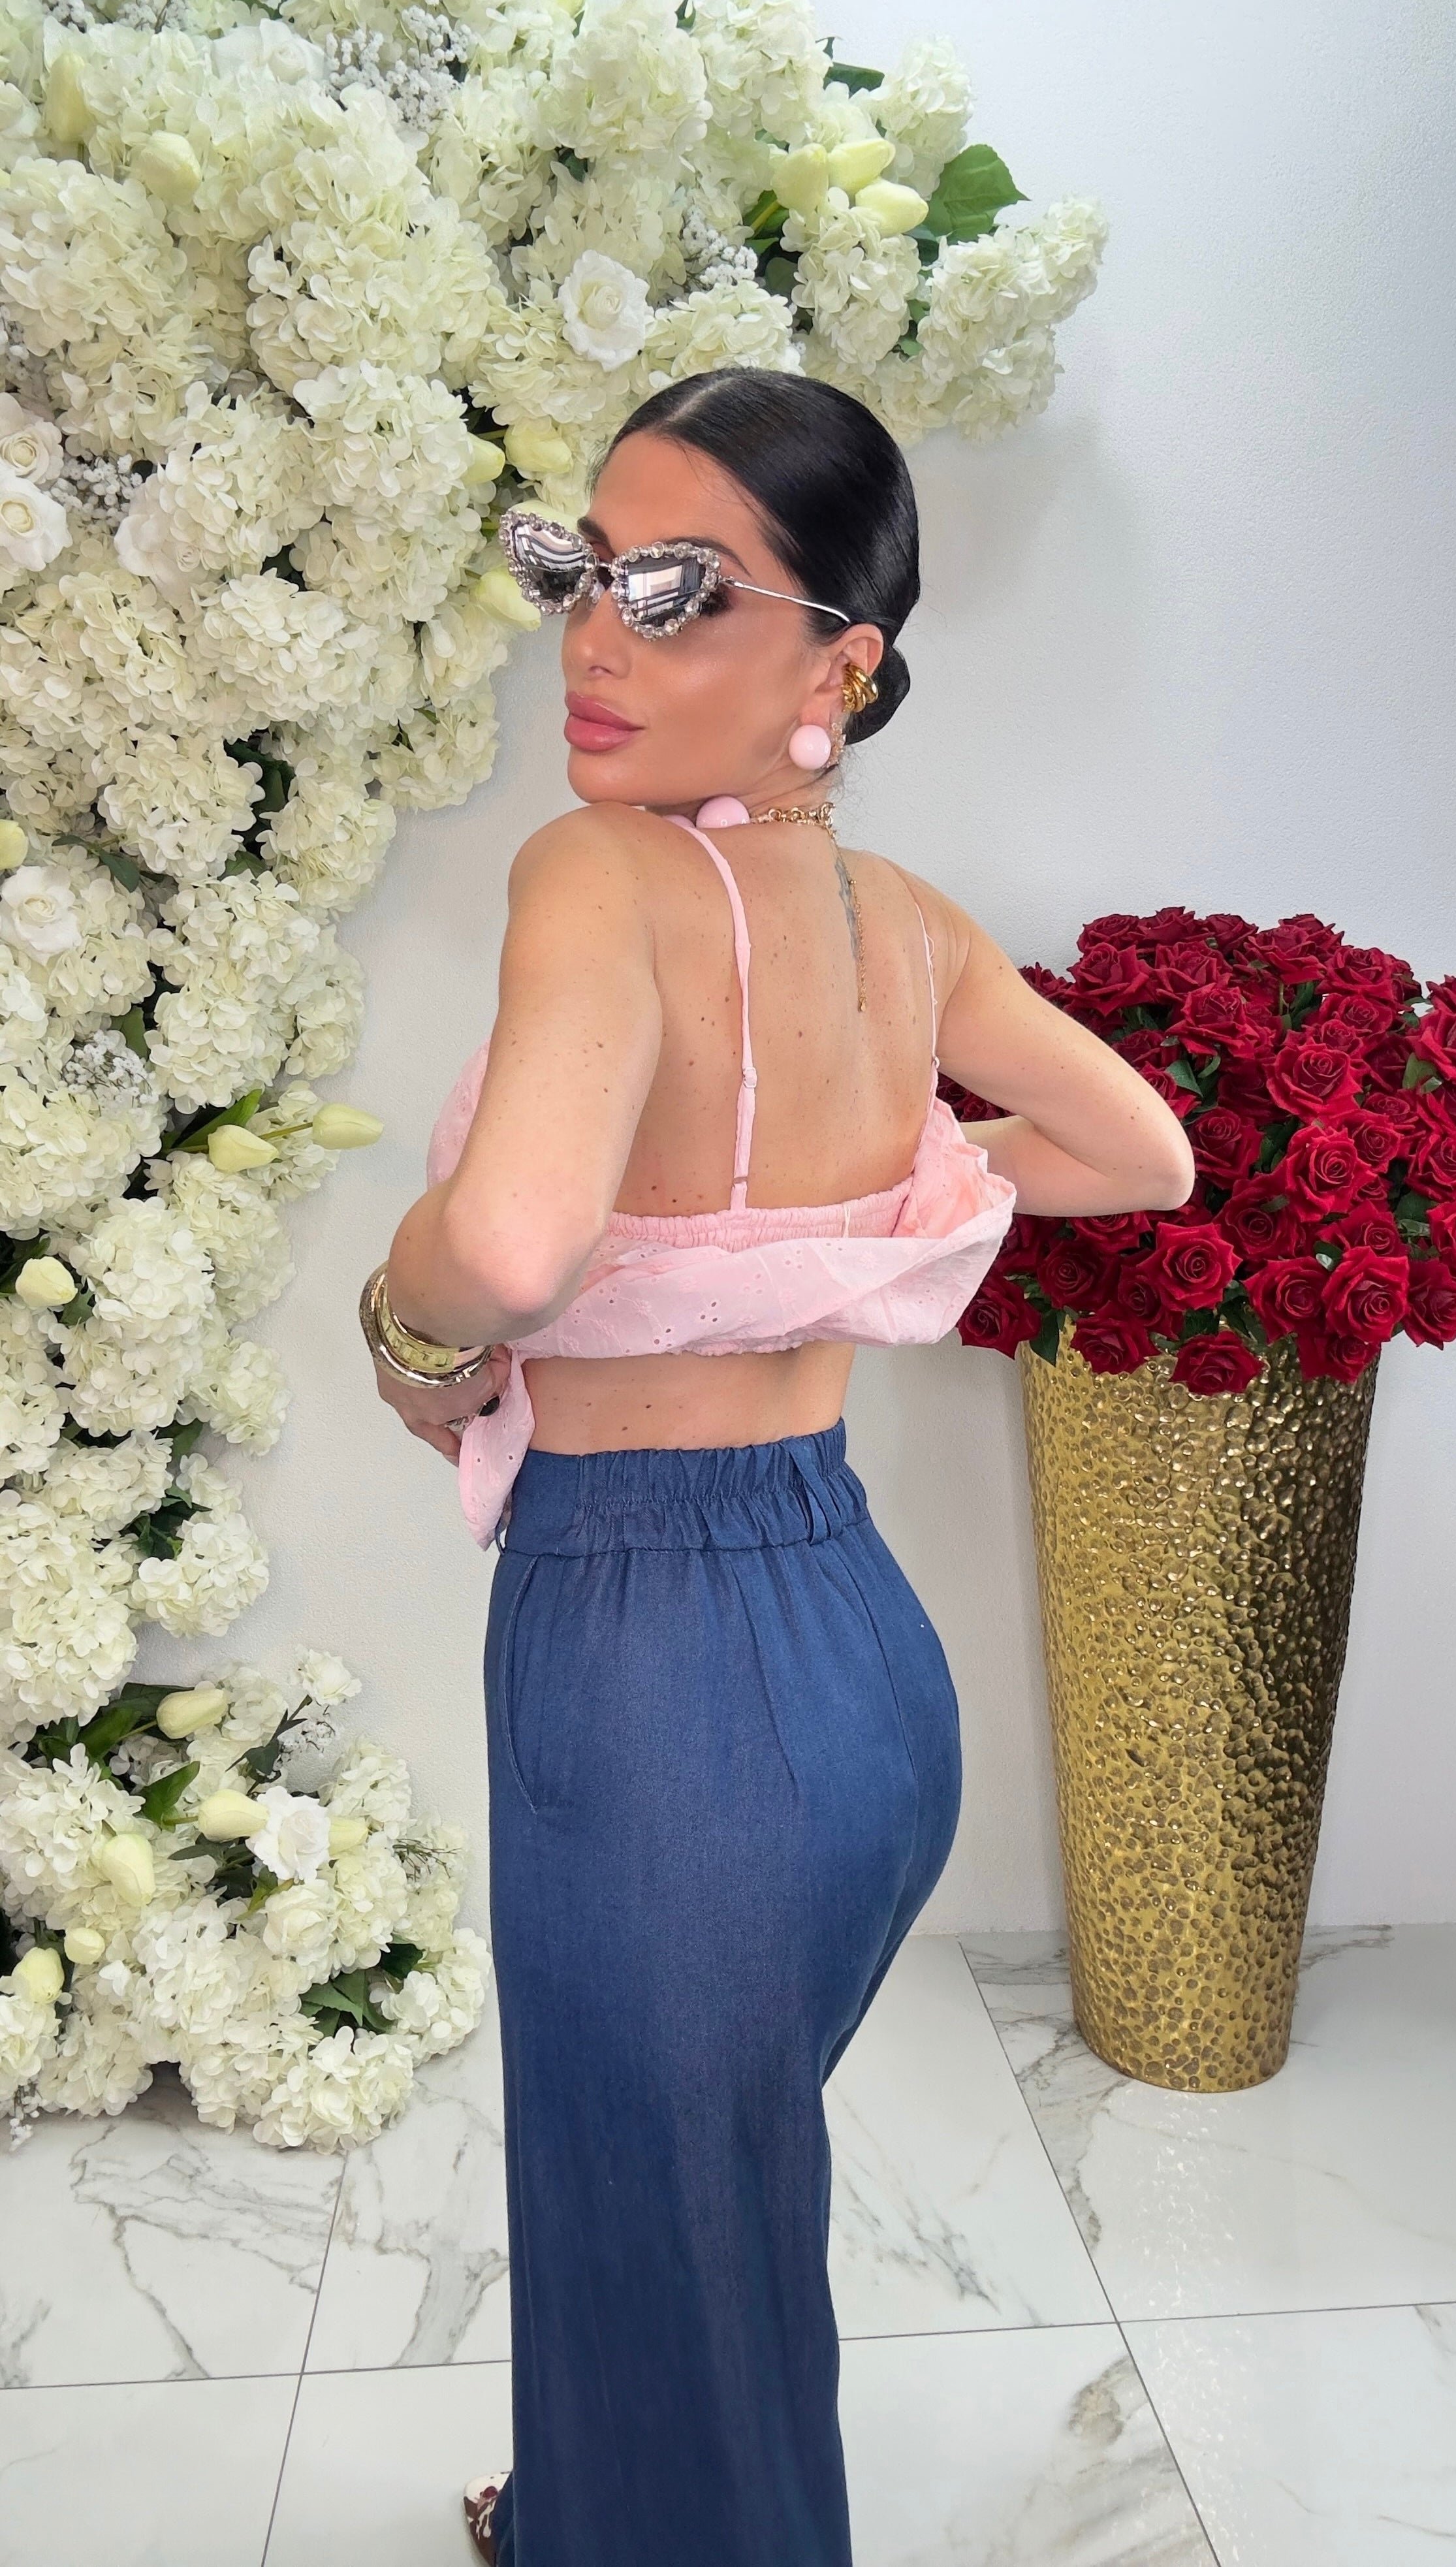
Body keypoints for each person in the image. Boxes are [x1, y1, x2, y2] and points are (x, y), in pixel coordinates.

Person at [360, 366, 1195, 2567]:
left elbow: (510, 1248)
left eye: (677, 590)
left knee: (670, 2204)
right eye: (578, 569)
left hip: (649, 1671)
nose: (595, 634)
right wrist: (859, 1215)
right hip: (856, 1660)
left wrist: (404, 1319)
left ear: (841, 665)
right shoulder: (902, 924)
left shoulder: (597, 872)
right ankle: (581, 2503)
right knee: (685, 2196)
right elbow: (1140, 1150)